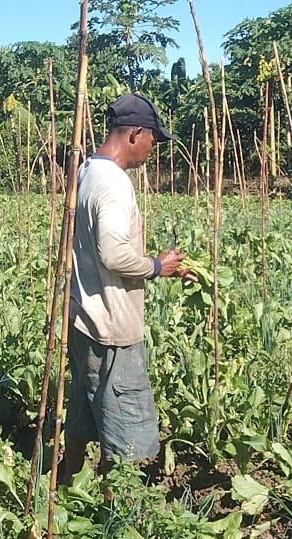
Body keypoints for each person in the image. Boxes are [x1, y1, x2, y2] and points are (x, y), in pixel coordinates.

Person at [64, 93, 195, 477]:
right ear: (135, 133)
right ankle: (112, 515)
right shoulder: (115, 184)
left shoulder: (87, 169)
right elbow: (113, 254)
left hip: (84, 318)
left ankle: (69, 482)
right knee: (126, 436)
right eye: (154, 139)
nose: (153, 149)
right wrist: (157, 266)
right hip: (113, 330)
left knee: (84, 411)